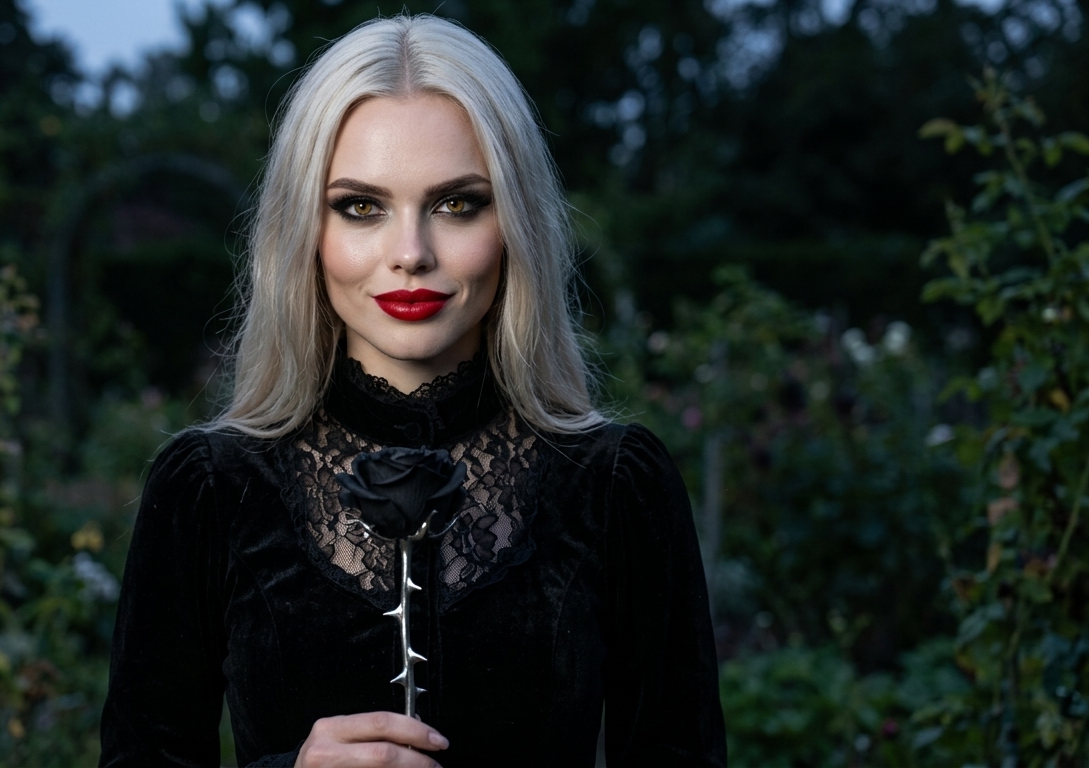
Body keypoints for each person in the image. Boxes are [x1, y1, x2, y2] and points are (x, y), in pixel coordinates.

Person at [99, 13, 725, 768]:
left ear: (515, 223)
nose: (410, 253)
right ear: (305, 231)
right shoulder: (207, 488)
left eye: (457, 204)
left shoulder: (617, 483)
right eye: (360, 206)